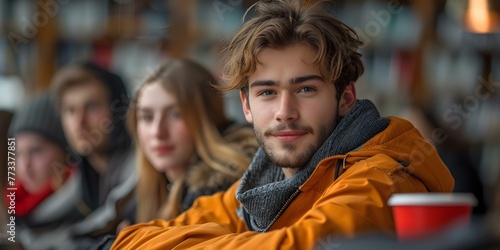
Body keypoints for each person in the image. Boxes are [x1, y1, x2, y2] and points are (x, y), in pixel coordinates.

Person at [111, 1, 454, 249]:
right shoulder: (260, 184)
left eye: (306, 89)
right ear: (246, 106)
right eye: (267, 93)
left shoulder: (383, 179)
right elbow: (129, 239)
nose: (284, 112)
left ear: (346, 97)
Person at [19, 61, 136, 249]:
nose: (79, 122)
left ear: (118, 111)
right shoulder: (85, 176)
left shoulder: (142, 170)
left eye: (92, 107)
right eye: (70, 110)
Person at [126, 59, 258, 224]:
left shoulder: (217, 189)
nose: (157, 132)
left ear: (207, 119)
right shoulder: (151, 188)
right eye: (147, 117)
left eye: (176, 114)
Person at [2, 92, 76, 249]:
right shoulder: (14, 210)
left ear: (66, 153)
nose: (24, 166)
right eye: (17, 154)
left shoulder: (88, 210)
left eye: (36, 151)